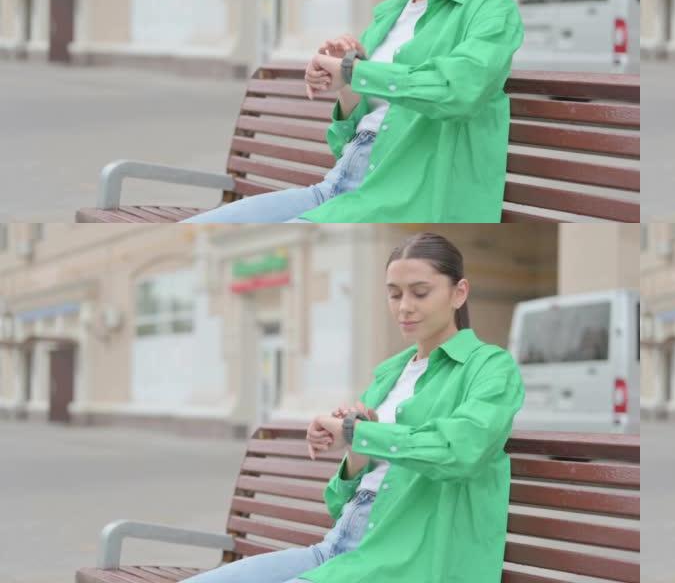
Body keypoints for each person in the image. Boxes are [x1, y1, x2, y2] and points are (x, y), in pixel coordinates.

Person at [183, 232, 525, 582]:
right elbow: (337, 503)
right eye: (394, 294)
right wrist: (356, 449)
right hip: (336, 547)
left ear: (459, 293)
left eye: (420, 292)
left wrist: (358, 432)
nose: (404, 306)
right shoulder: (391, 372)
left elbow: (461, 451)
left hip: (401, 560)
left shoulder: (490, 367)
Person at [184, 0, 524, 223]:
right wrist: (345, 84)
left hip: (399, 198)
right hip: (336, 185)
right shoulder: (389, 12)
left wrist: (356, 71)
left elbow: (461, 89)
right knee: (198, 226)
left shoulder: (489, 7)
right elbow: (344, 140)